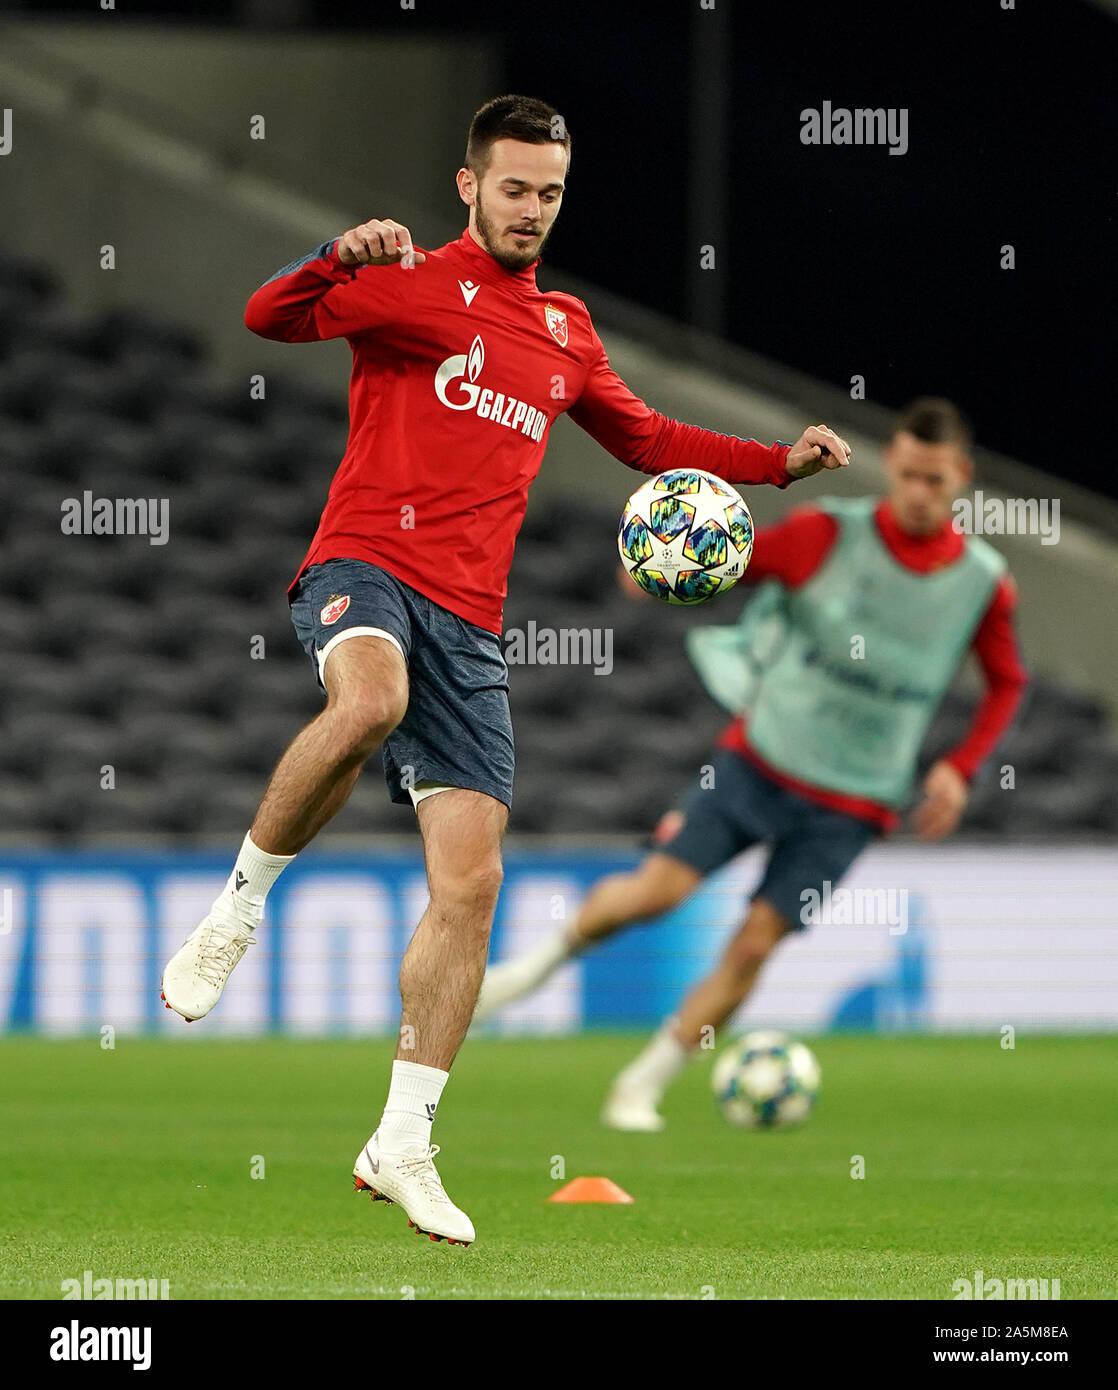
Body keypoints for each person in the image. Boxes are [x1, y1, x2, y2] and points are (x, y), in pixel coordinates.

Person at [159, 94, 850, 1245]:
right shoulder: (404, 284)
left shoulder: (566, 334)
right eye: (514, 187)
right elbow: (266, 315)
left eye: (550, 193)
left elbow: (645, 439)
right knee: (367, 701)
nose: (532, 209)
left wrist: (772, 464)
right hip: (363, 564)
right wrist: (334, 252)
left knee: (470, 889)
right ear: (467, 183)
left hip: (471, 625)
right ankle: (236, 913)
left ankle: (402, 1140)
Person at [474, 397, 1028, 1131]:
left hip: (855, 803)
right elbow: (728, 561)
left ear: (961, 476)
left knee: (755, 943)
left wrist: (961, 765)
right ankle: (526, 972)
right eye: (908, 475)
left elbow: (1007, 680)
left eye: (935, 480)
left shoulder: (984, 583)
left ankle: (641, 1086)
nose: (920, 493)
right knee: (654, 895)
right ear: (891, 466)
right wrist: (659, 570)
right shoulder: (827, 534)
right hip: (759, 761)